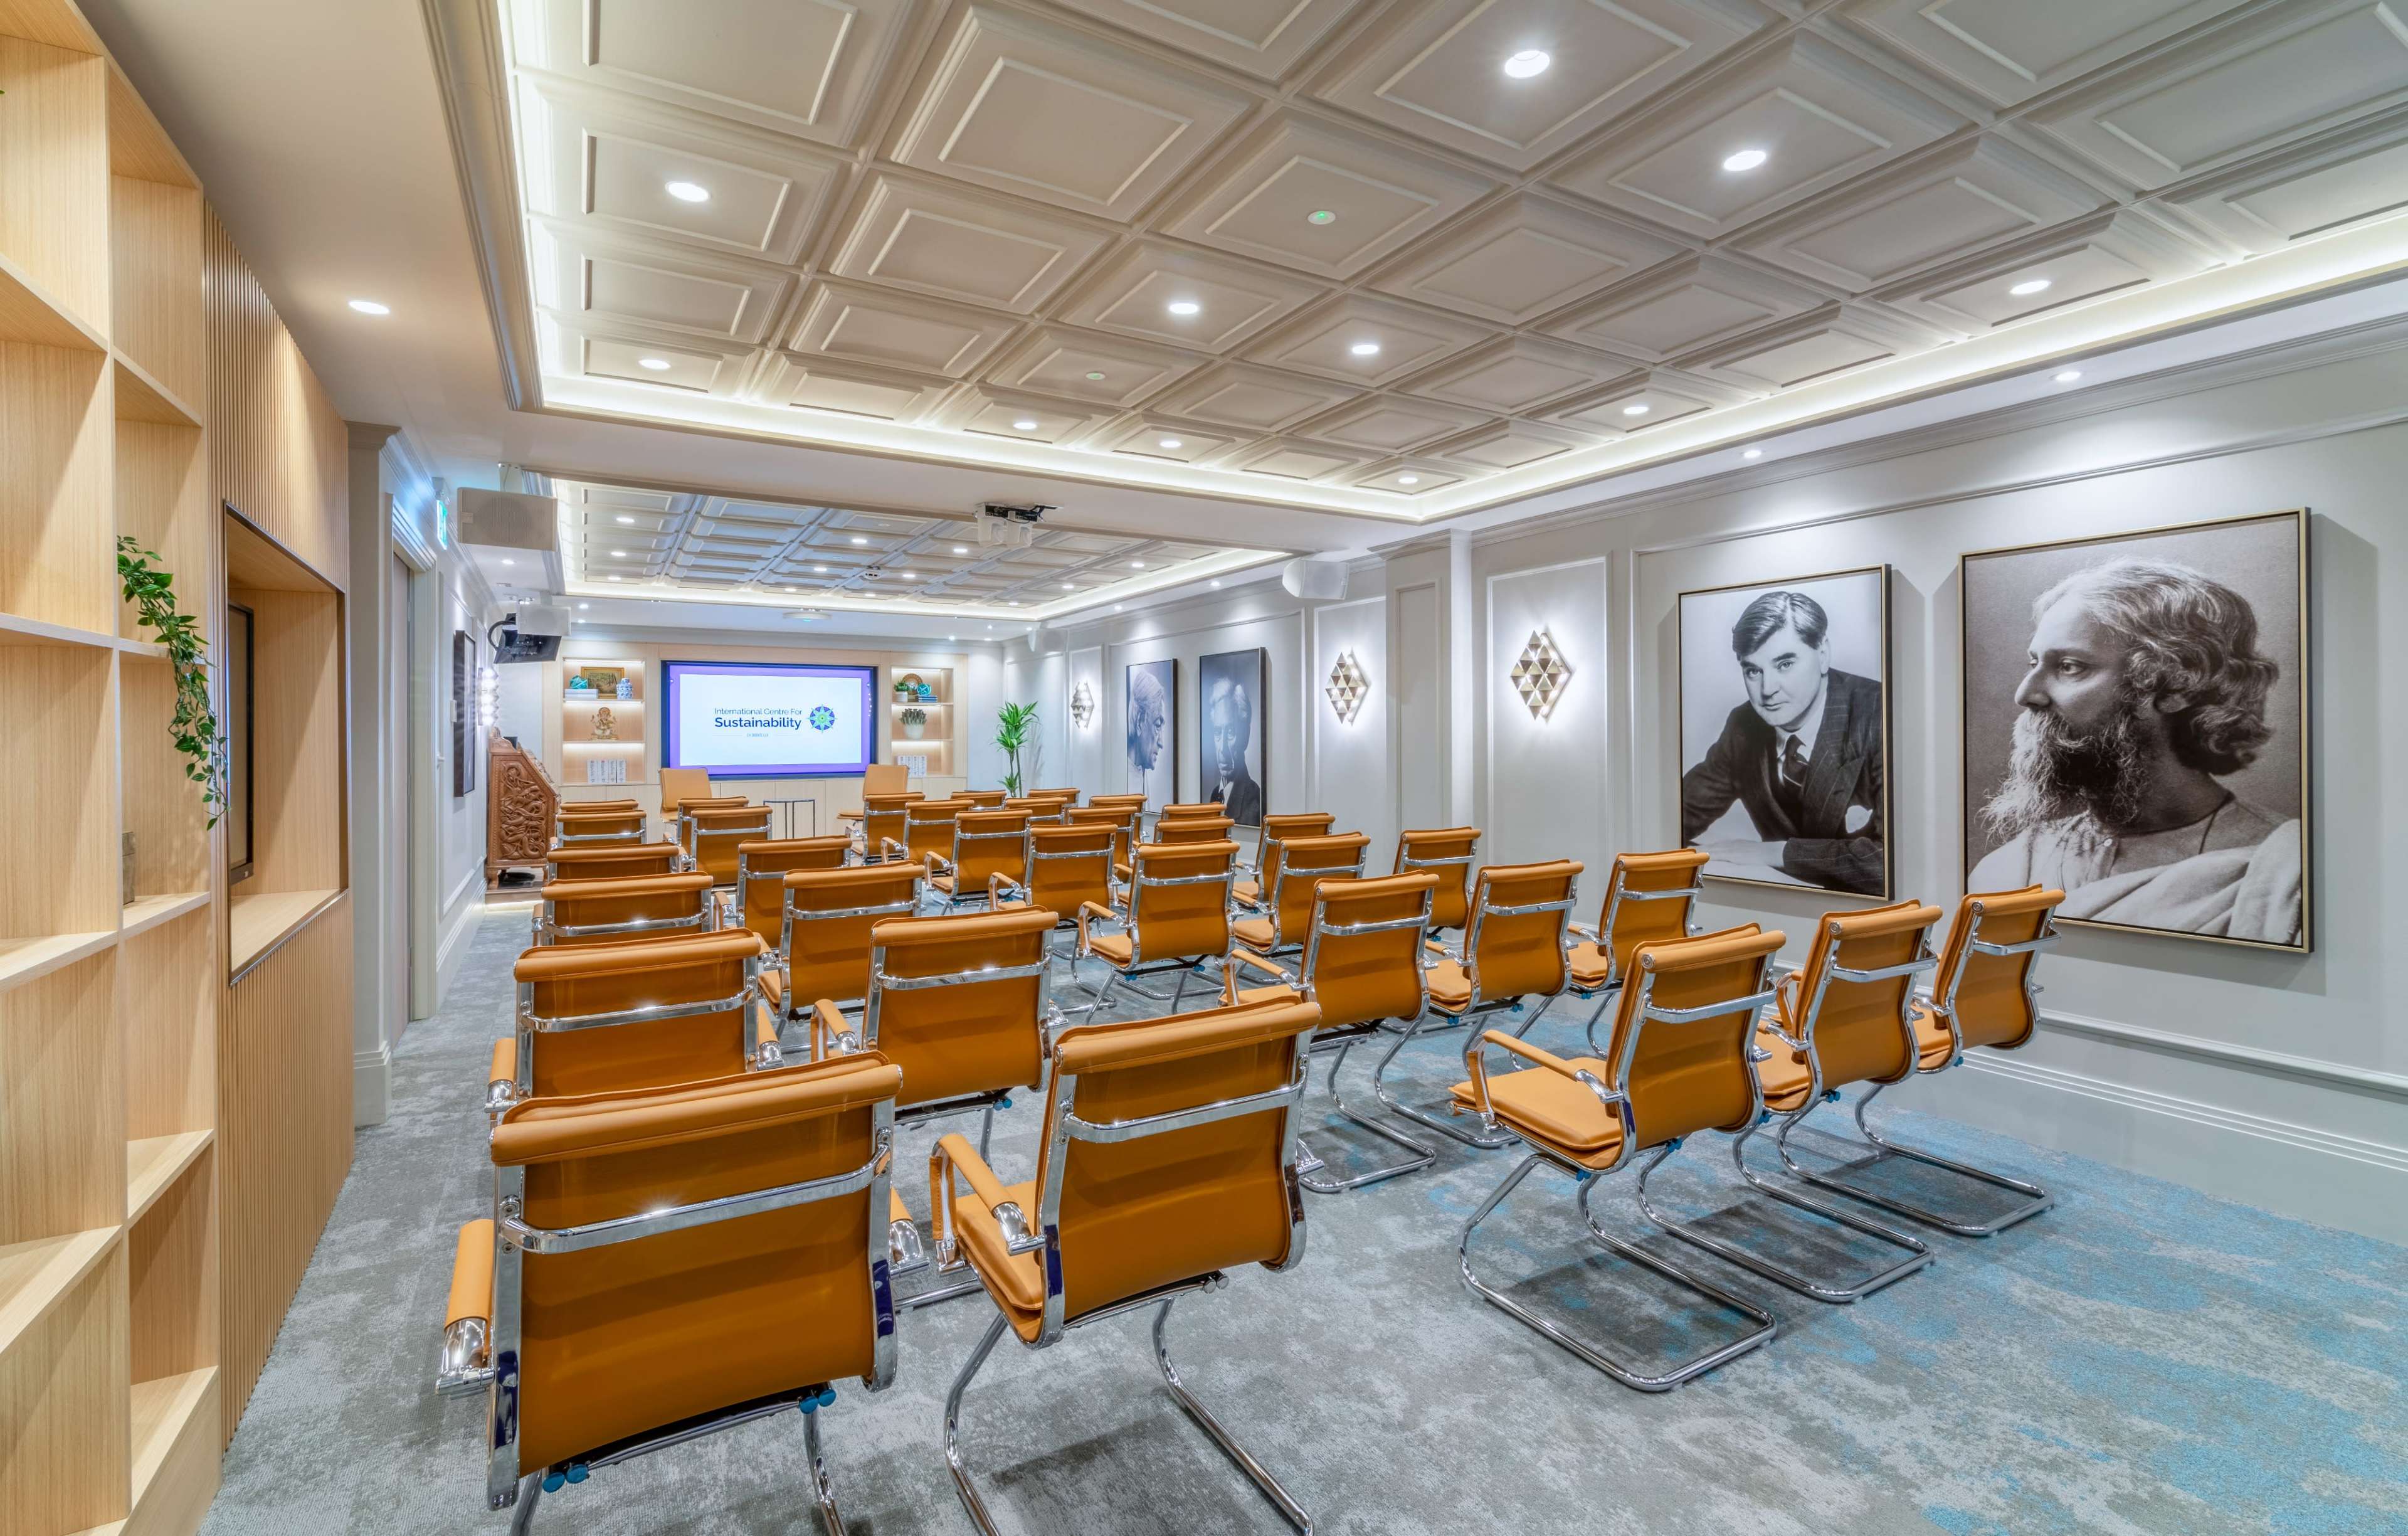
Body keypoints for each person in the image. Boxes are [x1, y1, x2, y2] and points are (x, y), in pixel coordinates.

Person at [1971, 559, 2300, 943]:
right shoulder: (2011, 867)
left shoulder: (2281, 873)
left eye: (2070, 666)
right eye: (2034, 663)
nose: (2026, 694)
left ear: (2179, 685)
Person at [1681, 590, 1885, 896]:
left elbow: (1889, 862)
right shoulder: (1743, 725)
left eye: (1785, 664)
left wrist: (1772, 853)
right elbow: (1678, 814)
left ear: (1823, 654)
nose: (1767, 689)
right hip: (1781, 912)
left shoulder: (1879, 714)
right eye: (1753, 670)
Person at [1203, 672, 1262, 827]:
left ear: (1246, 736)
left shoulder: (1255, 802)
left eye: (1230, 732)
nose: (1222, 749)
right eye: (1217, 732)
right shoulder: (1216, 794)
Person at [1126, 667, 1168, 799]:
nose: (1161, 743)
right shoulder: (1122, 780)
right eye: (1157, 725)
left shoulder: (1143, 776)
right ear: (1139, 722)